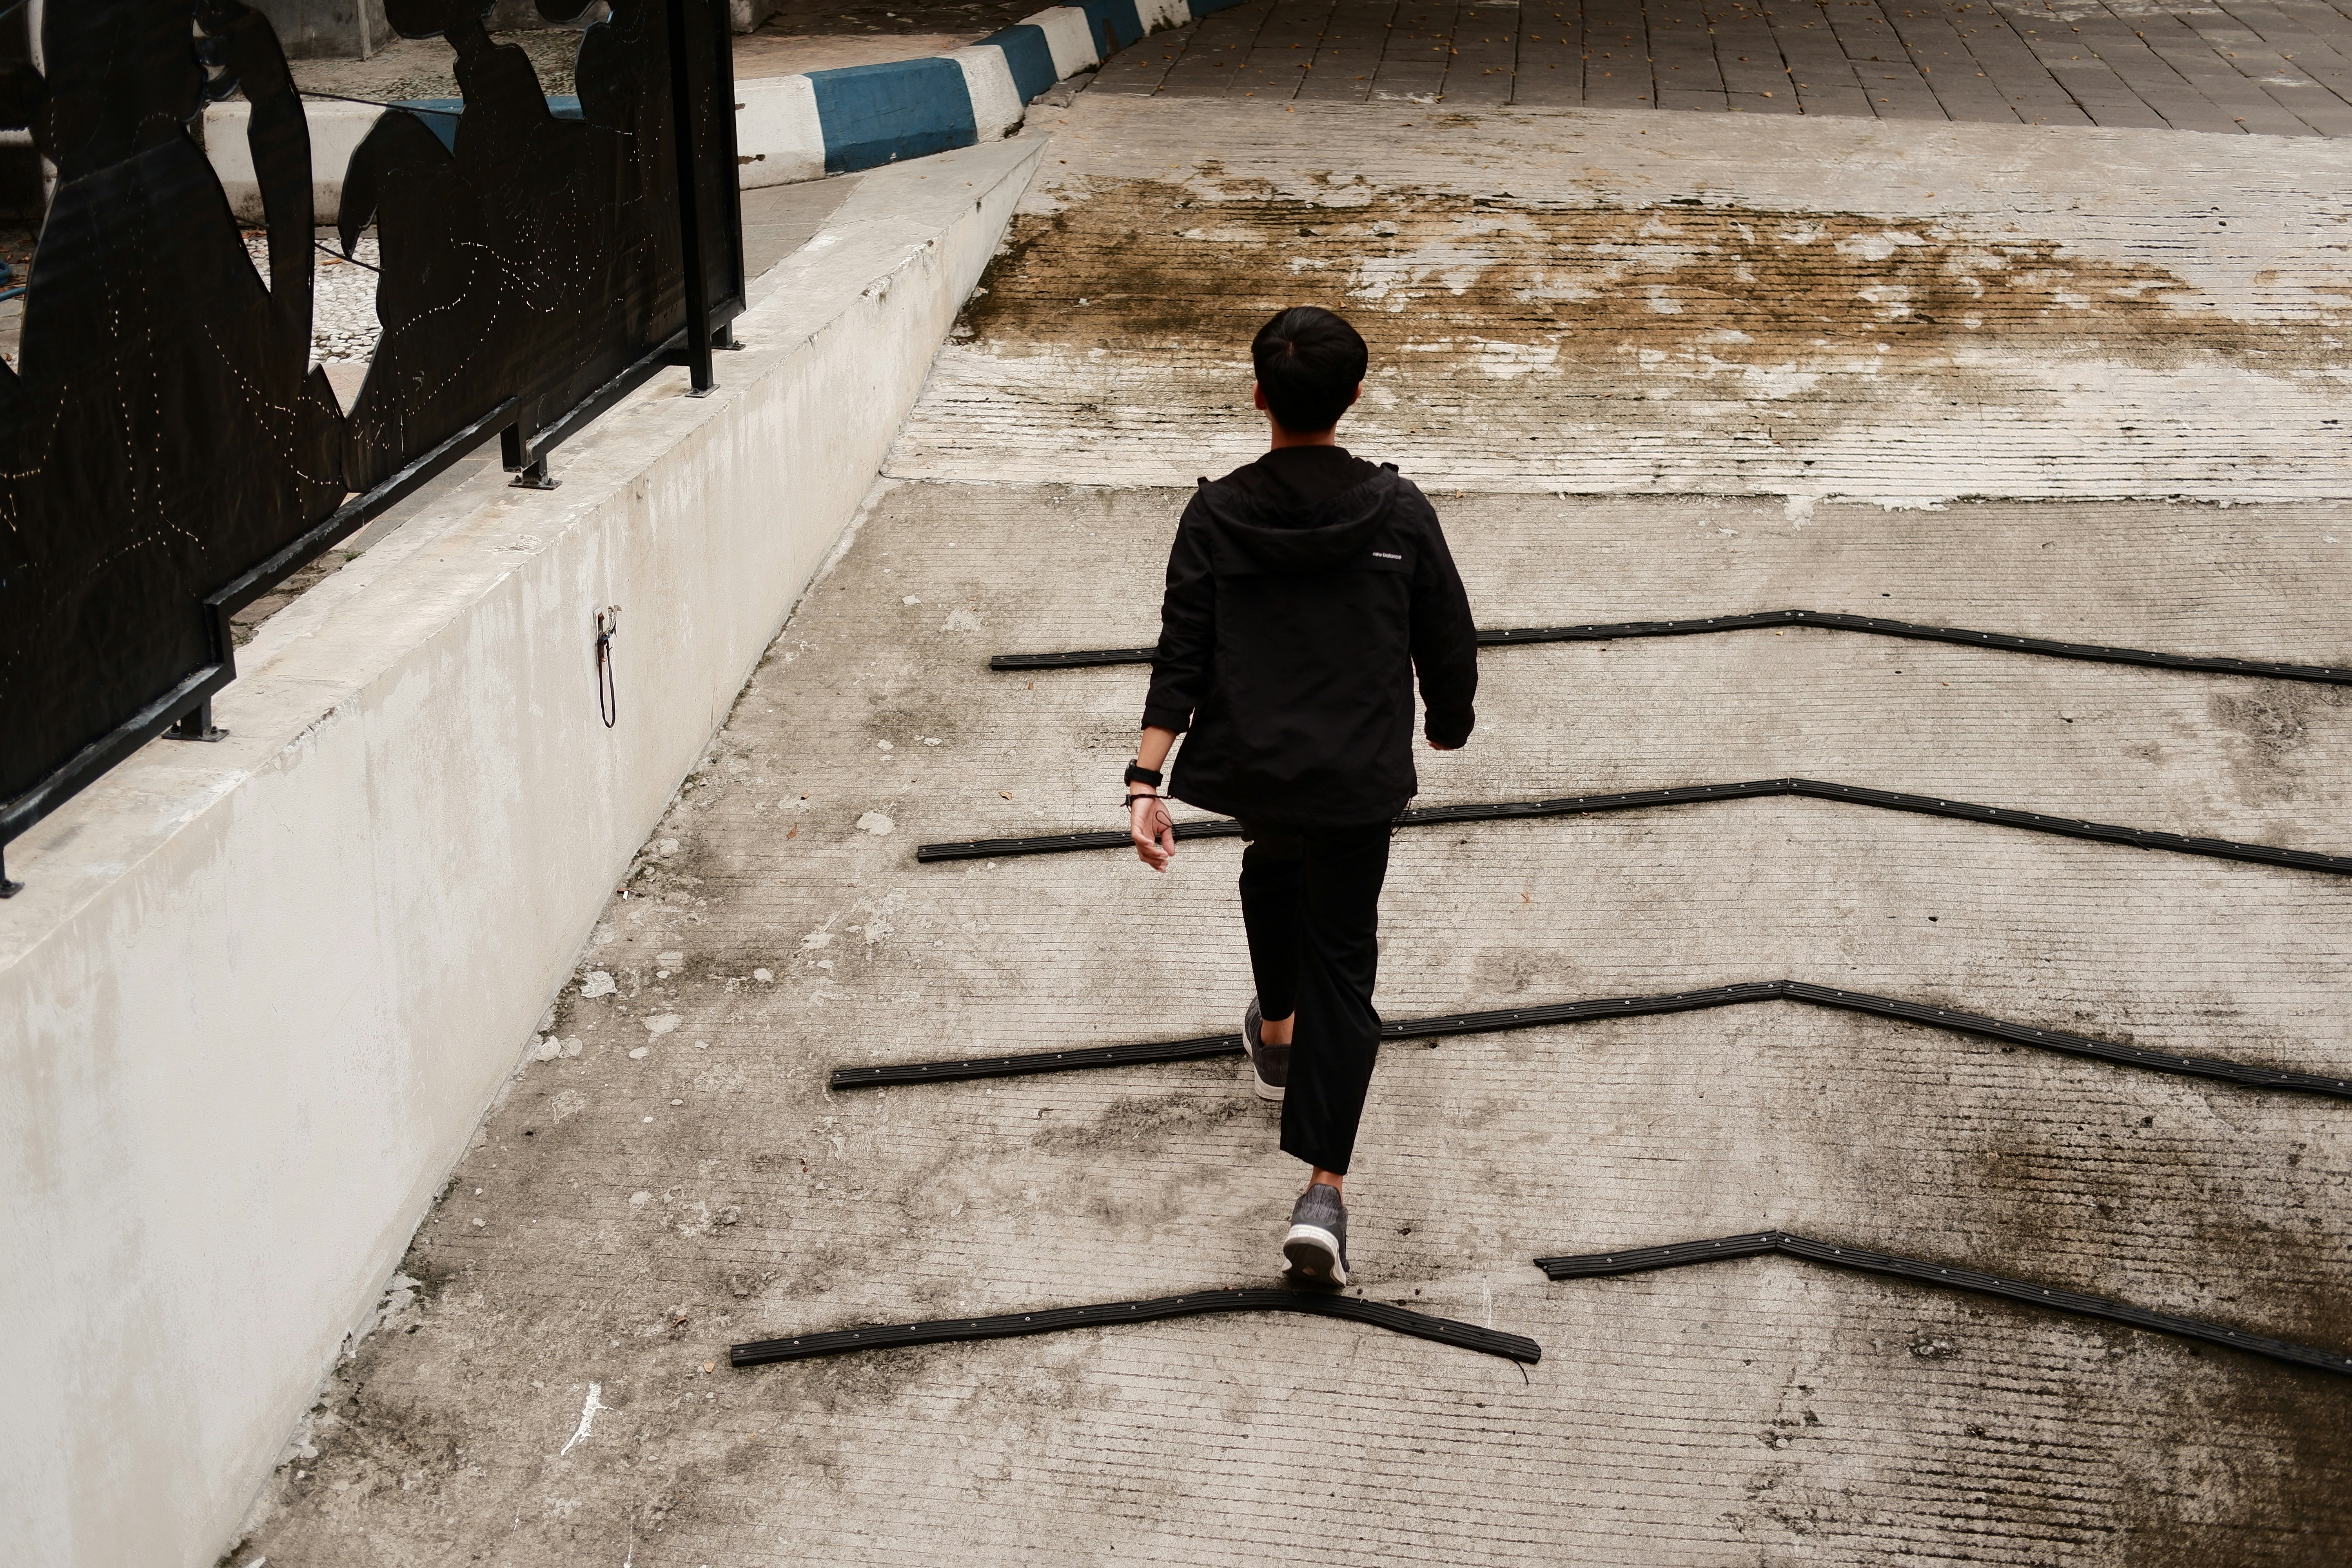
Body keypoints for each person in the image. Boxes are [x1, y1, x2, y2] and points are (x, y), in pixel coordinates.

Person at [1125, 305, 1478, 1288]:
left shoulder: (1217, 513)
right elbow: (1447, 633)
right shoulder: (1398, 511)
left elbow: (1181, 650)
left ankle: (1275, 1029)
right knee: (1345, 964)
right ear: (1355, 397)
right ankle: (1322, 1191)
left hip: (1258, 769)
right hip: (1356, 778)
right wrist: (1448, 723)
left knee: (1271, 861)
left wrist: (1145, 780)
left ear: (1258, 398)